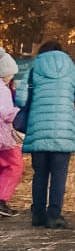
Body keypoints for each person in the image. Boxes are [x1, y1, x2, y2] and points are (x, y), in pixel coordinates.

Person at [13, 41, 75, 229]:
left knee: (40, 174)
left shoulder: (34, 68)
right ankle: (54, 215)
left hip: (38, 129)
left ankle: (37, 214)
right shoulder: (71, 68)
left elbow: (20, 99)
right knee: (59, 174)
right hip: (63, 130)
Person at [0, 52, 24, 217]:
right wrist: (19, 111)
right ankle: (1, 200)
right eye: (10, 74)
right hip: (3, 137)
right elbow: (6, 113)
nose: (11, 77)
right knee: (15, 166)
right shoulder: (2, 90)